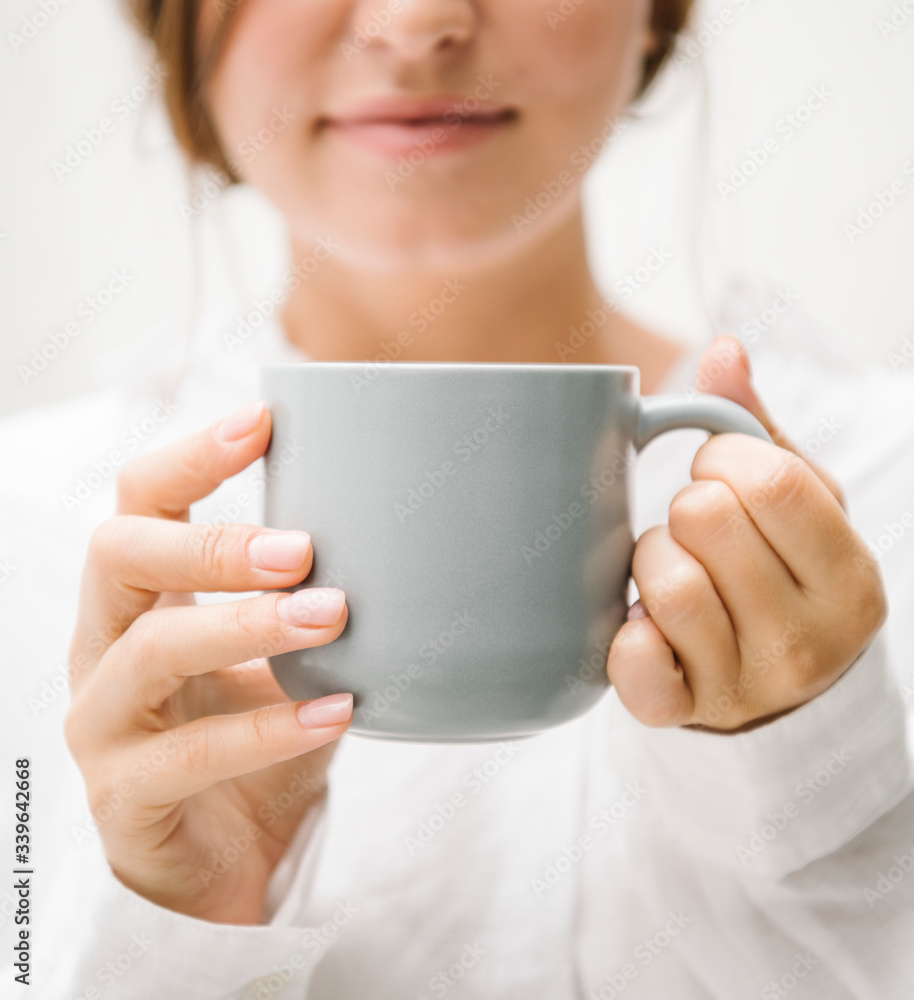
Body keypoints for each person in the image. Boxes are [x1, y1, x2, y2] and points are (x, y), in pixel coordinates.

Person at [4, 0, 913, 996]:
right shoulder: (28, 524)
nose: (415, 20)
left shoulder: (880, 479)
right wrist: (180, 930)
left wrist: (803, 786)